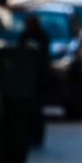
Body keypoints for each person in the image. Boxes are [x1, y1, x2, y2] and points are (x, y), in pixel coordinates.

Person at [19, 13, 50, 147]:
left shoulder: (42, 37)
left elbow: (44, 58)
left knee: (37, 109)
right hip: (28, 78)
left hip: (38, 78)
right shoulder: (24, 36)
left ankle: (37, 136)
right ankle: (30, 135)